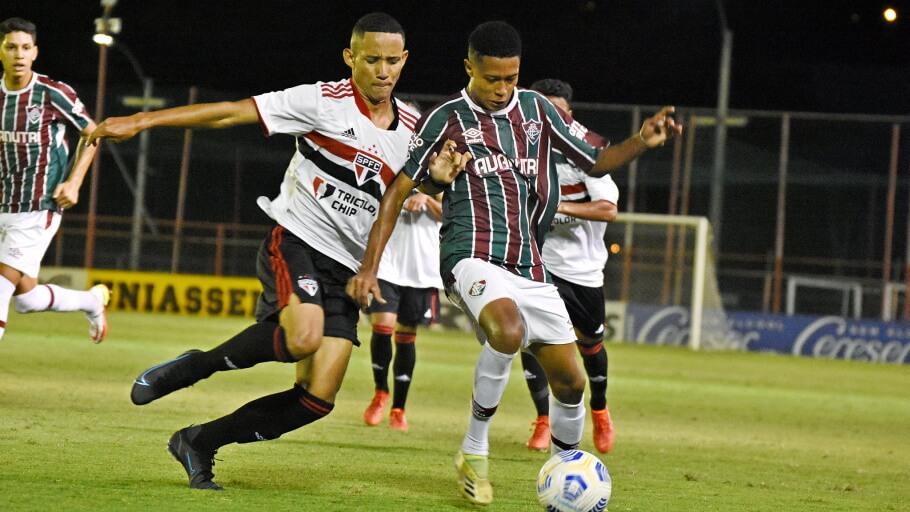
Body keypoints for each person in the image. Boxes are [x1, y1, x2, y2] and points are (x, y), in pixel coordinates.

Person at [347, 21, 680, 506]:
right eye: (492, 79)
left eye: (511, 78)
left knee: (570, 381)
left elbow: (596, 161)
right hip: (469, 254)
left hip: (530, 264)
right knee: (507, 329)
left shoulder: (538, 110)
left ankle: (567, 475)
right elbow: (400, 191)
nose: (503, 89)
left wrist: (642, 141)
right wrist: (369, 267)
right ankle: (473, 450)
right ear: (469, 68)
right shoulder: (446, 120)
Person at [88, 13, 417, 491]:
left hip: (346, 270)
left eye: (392, 61)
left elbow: (398, 200)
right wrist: (142, 121)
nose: (382, 71)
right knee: (303, 337)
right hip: (298, 239)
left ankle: (199, 441)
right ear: (350, 57)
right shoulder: (321, 101)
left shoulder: (413, 130)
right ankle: (194, 366)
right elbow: (228, 111)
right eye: (371, 60)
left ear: (404, 60)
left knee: (317, 399)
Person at [520, 78, 618, 454]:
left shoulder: (587, 160)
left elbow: (608, 209)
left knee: (590, 343)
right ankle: (544, 419)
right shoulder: (522, 156)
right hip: (537, 263)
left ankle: (600, 409)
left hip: (582, 272)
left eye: (556, 110)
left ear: (568, 116)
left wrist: (557, 207)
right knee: (531, 343)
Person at [0, 17, 109, 343]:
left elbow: (94, 134)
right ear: (1, 51)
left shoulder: (52, 93)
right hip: (4, 204)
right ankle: (91, 301)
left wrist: (74, 182)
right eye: (11, 47)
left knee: (2, 282)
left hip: (39, 205)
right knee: (27, 298)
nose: (19, 54)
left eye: (25, 48)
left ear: (35, 52)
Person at [362, 181, 443, 432]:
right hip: (387, 264)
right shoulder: (396, 170)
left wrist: (427, 199)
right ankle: (380, 392)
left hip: (420, 270)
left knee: (407, 336)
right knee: (382, 325)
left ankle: (399, 409)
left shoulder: (441, 176)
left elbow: (451, 214)